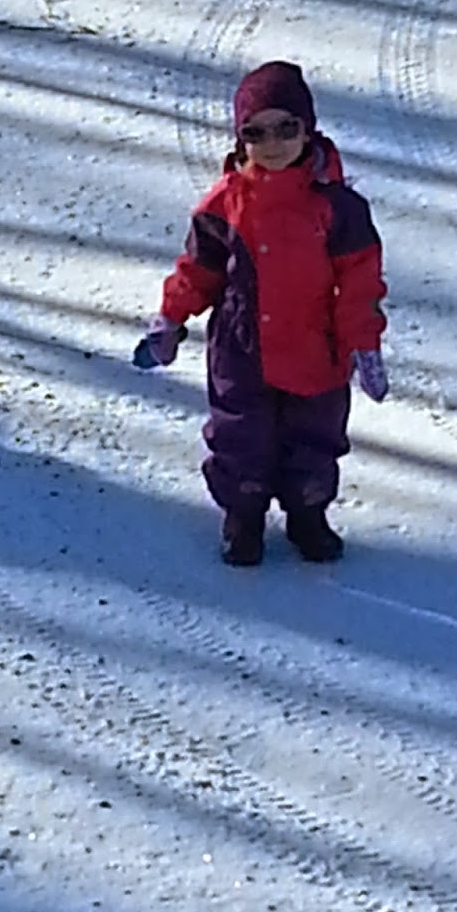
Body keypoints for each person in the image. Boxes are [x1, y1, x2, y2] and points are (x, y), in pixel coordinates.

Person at [133, 61, 388, 567]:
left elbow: (360, 283)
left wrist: (364, 343)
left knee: (314, 436)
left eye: (286, 128)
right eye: (256, 132)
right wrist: (170, 319)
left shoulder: (340, 208)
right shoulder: (225, 205)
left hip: (316, 347)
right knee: (239, 435)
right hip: (241, 347)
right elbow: (198, 270)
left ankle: (308, 514)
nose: (272, 143)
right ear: (240, 139)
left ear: (308, 129)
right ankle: (242, 516)